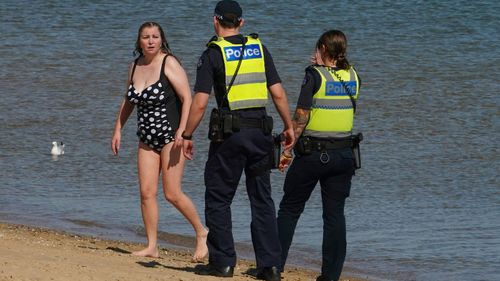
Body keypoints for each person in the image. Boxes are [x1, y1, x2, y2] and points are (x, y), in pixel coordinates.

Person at [181, 1, 294, 280]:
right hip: (261, 134)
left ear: (214, 21)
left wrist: (187, 134)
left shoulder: (212, 53)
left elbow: (200, 102)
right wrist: (289, 126)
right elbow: (278, 93)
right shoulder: (259, 48)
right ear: (241, 23)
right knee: (262, 199)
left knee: (219, 196)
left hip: (229, 136)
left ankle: (223, 263)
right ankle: (269, 267)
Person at [111, 21, 208, 261]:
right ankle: (152, 245)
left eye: (155, 36)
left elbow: (188, 98)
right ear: (139, 41)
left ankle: (202, 233)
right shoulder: (134, 66)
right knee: (146, 192)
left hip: (170, 137)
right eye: (146, 37)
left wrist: (184, 132)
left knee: (172, 193)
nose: (151, 40)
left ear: (161, 39)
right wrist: (117, 129)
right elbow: (129, 100)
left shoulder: (169, 63)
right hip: (146, 138)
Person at [276, 30, 361, 281]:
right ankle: (331, 276)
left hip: (313, 155)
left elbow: (301, 116)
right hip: (344, 154)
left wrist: (287, 150)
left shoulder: (313, 75)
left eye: (317, 48)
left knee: (289, 209)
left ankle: (274, 266)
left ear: (323, 47)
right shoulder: (353, 75)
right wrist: (324, 66)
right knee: (334, 215)